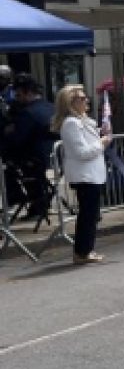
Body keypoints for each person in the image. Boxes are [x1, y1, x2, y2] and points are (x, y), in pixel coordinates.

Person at [51, 85, 109, 265]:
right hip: (84, 175)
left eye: (86, 98)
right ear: (70, 103)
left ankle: (86, 249)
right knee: (87, 214)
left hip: (92, 174)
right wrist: (101, 143)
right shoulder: (71, 124)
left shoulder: (83, 121)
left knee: (92, 214)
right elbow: (81, 152)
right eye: (81, 99)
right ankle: (82, 251)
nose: (86, 101)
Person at [1, 74, 56, 219]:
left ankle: (17, 197)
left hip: (34, 158)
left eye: (18, 95)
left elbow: (17, 139)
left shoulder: (27, 113)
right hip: (53, 157)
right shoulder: (50, 107)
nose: (17, 98)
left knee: (6, 165)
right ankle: (38, 203)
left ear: (28, 92)